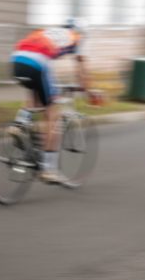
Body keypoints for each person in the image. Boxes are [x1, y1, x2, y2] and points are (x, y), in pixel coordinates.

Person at [11, 18, 98, 184]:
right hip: (37, 61)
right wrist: (88, 91)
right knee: (53, 114)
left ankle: (18, 125)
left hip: (18, 58)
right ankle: (48, 169)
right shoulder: (76, 37)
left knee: (35, 96)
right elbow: (81, 70)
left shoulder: (50, 32)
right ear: (81, 32)